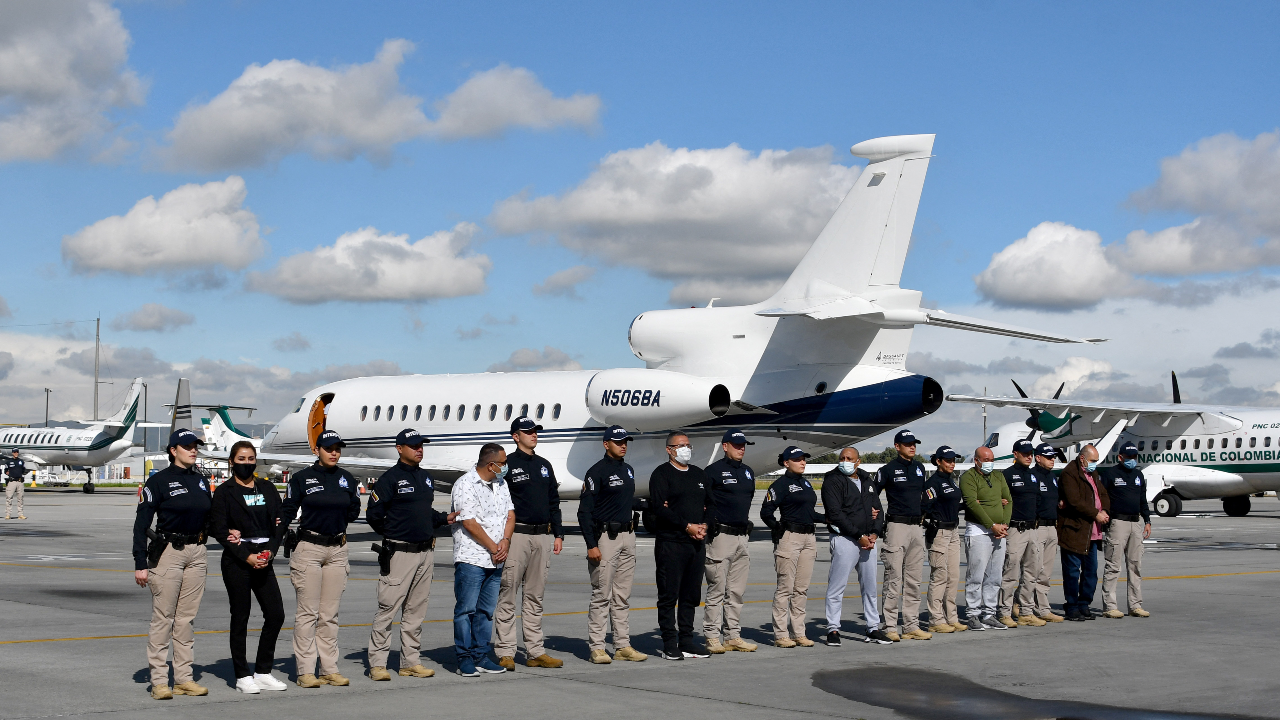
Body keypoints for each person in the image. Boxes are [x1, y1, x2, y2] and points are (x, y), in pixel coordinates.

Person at [366, 429, 454, 681]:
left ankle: (410, 662)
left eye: (421, 445)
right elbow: (374, 514)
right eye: (414, 446)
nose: (419, 449)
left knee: (415, 612)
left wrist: (443, 518)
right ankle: (378, 664)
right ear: (399, 448)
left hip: (425, 552)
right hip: (399, 553)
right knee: (387, 609)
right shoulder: (389, 479)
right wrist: (393, 533)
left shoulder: (425, 477)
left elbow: (424, 511)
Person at [132, 428, 213, 700]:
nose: (193, 450)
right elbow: (141, 525)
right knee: (163, 618)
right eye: (187, 446)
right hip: (169, 552)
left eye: (195, 446)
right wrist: (140, 562)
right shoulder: (158, 482)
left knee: (185, 620)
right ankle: (158, 681)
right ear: (173, 450)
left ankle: (183, 679)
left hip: (197, 553)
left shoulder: (201, 480)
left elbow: (211, 518)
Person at [280, 429, 362, 687]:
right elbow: (287, 510)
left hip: (337, 549)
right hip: (309, 547)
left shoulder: (347, 479)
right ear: (316, 451)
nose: (334, 453)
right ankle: (305, 671)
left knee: (329, 614)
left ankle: (329, 668)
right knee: (308, 613)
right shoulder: (302, 478)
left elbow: (354, 509)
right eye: (329, 449)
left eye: (338, 449)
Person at [208, 441, 288, 694]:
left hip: (264, 557)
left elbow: (280, 523)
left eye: (251, 458)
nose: (246, 463)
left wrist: (270, 551)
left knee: (275, 614)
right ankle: (242, 675)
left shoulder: (267, 487)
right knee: (241, 616)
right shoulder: (225, 492)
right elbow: (219, 529)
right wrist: (246, 556)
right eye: (241, 459)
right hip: (238, 561)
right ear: (232, 461)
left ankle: (263, 671)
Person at [495, 417, 565, 669]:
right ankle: (505, 651)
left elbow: (553, 500)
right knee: (508, 593)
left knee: (535, 596)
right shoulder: (507, 465)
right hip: (517, 536)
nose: (533, 435)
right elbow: (497, 500)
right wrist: (502, 537)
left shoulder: (544, 465)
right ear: (516, 436)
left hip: (542, 536)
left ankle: (535, 651)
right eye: (528, 432)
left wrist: (558, 533)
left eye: (535, 431)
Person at [577, 426, 648, 664]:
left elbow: (624, 500)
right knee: (602, 594)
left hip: (628, 535)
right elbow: (584, 512)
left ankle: (622, 645)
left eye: (625, 441)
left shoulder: (628, 470)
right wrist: (591, 545)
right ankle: (597, 647)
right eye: (618, 442)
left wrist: (651, 504)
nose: (623, 445)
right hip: (606, 538)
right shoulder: (596, 472)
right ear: (606, 444)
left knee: (622, 595)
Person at [451, 442, 516, 677]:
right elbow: (469, 523)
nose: (506, 467)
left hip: (496, 559)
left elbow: (510, 514)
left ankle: (481, 656)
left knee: (486, 612)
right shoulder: (465, 484)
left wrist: (505, 541)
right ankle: (464, 658)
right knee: (466, 611)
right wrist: (493, 547)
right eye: (503, 463)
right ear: (491, 465)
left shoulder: (501, 484)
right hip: (472, 558)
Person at [649, 431, 711, 660]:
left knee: (691, 595)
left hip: (696, 544)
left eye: (688, 445)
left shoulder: (699, 474)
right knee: (669, 594)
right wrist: (686, 526)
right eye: (680, 445)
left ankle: (686, 640)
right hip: (671, 543)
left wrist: (705, 525)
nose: (686, 449)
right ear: (669, 450)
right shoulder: (661, 474)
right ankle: (669, 643)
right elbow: (659, 508)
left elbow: (710, 504)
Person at [822, 447, 892, 645]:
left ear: (858, 461)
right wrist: (858, 535)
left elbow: (878, 509)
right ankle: (833, 629)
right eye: (842, 458)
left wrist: (875, 533)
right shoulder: (832, 480)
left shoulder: (866, 480)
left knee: (870, 587)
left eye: (849, 458)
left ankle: (872, 627)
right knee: (837, 587)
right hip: (845, 538)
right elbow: (835, 513)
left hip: (868, 541)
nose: (845, 461)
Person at [702, 429, 758, 653]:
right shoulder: (713, 471)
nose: (741, 448)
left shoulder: (748, 472)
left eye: (743, 445)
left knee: (736, 591)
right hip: (721, 536)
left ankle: (732, 635)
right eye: (737, 445)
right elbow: (703, 502)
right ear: (725, 446)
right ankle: (711, 635)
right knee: (717, 589)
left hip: (741, 536)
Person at [874, 430, 931, 641]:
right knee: (894, 578)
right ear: (897, 446)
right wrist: (876, 519)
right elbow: (872, 495)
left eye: (914, 443)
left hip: (916, 527)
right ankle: (889, 626)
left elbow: (925, 494)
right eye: (907, 444)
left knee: (914, 580)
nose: (912, 447)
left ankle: (911, 625)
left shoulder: (919, 468)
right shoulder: (887, 470)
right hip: (897, 526)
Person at [760, 445, 819, 648]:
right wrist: (776, 527)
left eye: (804, 459)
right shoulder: (780, 485)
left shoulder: (806, 483)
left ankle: (798, 632)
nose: (802, 462)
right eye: (797, 459)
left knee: (801, 589)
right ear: (786, 463)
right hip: (790, 537)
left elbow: (809, 513)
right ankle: (781, 634)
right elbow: (766, 511)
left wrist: (829, 519)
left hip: (808, 538)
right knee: (785, 588)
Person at [959, 446, 1011, 631]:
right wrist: (991, 525)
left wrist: (1003, 525)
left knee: (995, 576)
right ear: (977, 460)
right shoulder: (968, 477)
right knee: (976, 575)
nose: (990, 463)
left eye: (992, 460)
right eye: (986, 460)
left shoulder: (998, 476)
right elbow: (972, 503)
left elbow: (1008, 500)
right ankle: (973, 614)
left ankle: (989, 613)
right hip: (978, 531)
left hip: (999, 532)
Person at [997, 439, 1047, 628]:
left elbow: (1039, 500)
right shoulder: (1007, 475)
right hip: (1015, 529)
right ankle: (1004, 612)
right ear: (1015, 454)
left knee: (1032, 572)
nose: (1028, 457)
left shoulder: (1033, 475)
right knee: (1010, 572)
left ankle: (1026, 612)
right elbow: (1000, 500)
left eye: (1030, 454)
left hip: (1032, 529)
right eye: (1025, 453)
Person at [1099, 441, 1152, 619]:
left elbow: (1142, 499)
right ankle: (1110, 605)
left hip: (1135, 522)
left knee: (1135, 565)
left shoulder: (1138, 475)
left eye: (1134, 456)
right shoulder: (1110, 474)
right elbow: (1102, 497)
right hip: (1118, 522)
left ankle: (1135, 605)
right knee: (1113, 565)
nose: (1132, 460)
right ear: (1120, 457)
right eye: (1129, 457)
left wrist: (1147, 520)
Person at [1058, 444, 1110, 621]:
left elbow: (1103, 494)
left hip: (1092, 532)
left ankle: (1084, 603)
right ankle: (1072, 605)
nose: (1095, 464)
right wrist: (1096, 514)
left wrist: (1105, 511)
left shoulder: (1092, 473)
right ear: (1082, 458)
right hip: (1075, 530)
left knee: (1091, 571)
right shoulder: (1069, 473)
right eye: (1093, 460)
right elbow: (1074, 501)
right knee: (1072, 571)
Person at [921, 446, 966, 634]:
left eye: (953, 460)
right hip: (939, 532)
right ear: (938, 461)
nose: (952, 463)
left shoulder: (951, 481)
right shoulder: (933, 483)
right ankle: (936, 619)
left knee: (953, 577)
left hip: (953, 531)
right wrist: (933, 521)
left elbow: (952, 504)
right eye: (948, 460)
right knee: (939, 576)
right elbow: (925, 506)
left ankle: (951, 617)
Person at [1029, 443, 1064, 622]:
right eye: (1049, 457)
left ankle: (1038, 605)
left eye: (1053, 457)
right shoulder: (1032, 476)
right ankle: (1039, 608)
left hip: (1052, 526)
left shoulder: (1052, 477)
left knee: (1046, 571)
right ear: (1038, 458)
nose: (1052, 460)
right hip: (1038, 526)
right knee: (1035, 569)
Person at [5, 449, 25, 520]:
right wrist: (9, 473)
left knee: (20, 498)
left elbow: (23, 470)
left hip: (19, 481)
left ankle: (20, 514)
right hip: (12, 481)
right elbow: (6, 471)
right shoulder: (9, 461)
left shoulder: (21, 461)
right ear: (12, 453)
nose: (16, 453)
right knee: (9, 498)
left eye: (17, 452)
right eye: (14, 452)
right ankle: (8, 514)